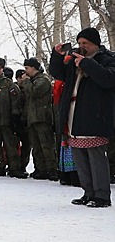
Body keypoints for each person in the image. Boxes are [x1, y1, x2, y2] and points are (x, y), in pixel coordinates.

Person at [49, 27, 115, 207]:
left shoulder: (107, 59)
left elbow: (108, 79)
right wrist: (57, 56)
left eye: (85, 43)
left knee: (96, 158)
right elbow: (57, 73)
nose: (81, 46)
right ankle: (88, 192)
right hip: (74, 113)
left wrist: (86, 63)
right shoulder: (74, 62)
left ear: (95, 44)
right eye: (79, 43)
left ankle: (101, 195)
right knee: (80, 157)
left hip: (95, 115)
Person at [18, 58, 58, 181]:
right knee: (36, 146)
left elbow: (35, 92)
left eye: (27, 68)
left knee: (46, 145)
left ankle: (52, 170)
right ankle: (41, 169)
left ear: (33, 68)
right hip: (32, 118)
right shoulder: (33, 81)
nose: (25, 72)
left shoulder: (43, 80)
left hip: (42, 118)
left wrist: (25, 82)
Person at [14, 69, 32, 175]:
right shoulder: (13, 89)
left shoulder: (28, 88)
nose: (22, 80)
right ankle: (15, 165)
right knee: (13, 145)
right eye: (20, 77)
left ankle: (23, 165)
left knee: (26, 145)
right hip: (15, 119)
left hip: (27, 120)